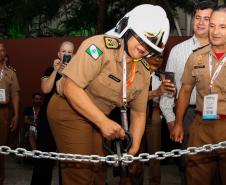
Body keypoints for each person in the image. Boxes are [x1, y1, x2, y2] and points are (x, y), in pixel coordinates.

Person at [47, 4, 170, 185]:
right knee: (80, 174)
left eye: (150, 45)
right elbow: (70, 87)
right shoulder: (99, 47)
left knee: (98, 173)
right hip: (69, 110)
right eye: (141, 39)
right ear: (127, 29)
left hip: (98, 118)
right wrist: (103, 122)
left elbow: (138, 112)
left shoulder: (143, 69)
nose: (144, 47)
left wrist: (133, 148)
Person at [159, 1, 216, 183]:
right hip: (188, 115)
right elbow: (168, 91)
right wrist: (173, 121)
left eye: (206, 19)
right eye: (197, 17)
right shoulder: (177, 51)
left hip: (220, 114)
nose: (200, 23)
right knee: (190, 169)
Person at [171, 5, 226, 185]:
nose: (215, 32)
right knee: (195, 178)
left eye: (223, 27)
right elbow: (185, 90)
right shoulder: (196, 57)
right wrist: (178, 123)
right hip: (200, 125)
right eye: (212, 26)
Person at [30, 41, 74, 185]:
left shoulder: (76, 72)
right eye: (64, 51)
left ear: (73, 55)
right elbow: (46, 89)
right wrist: (56, 71)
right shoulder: (49, 70)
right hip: (47, 118)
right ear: (59, 54)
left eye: (69, 52)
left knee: (67, 160)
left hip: (68, 119)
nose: (66, 54)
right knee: (44, 157)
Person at [0, 43, 20, 185]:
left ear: (5, 53)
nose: (0, 52)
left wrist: (16, 114)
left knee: (1, 147)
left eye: (2, 50)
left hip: (3, 112)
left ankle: (0, 179)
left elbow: (15, 95)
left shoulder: (11, 72)